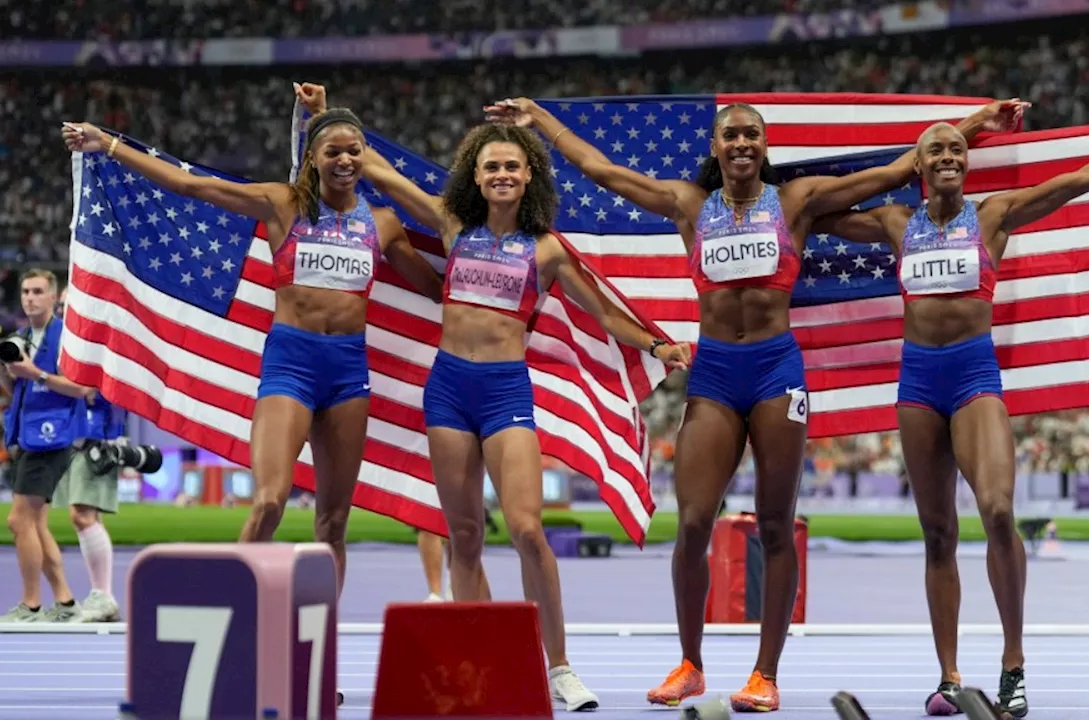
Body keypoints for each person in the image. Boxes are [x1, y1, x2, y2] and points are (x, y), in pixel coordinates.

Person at [485, 95, 1027, 711]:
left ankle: (765, 673)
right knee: (691, 523)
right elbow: (608, 173)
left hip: (777, 373)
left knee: (775, 525)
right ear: (716, 148)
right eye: (731, 136)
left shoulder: (794, 202)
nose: (741, 144)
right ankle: (690, 663)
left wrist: (972, 128)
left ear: (765, 148)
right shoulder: (690, 205)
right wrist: (544, 124)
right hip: (716, 373)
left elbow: (904, 169)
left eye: (751, 135)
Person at [295, 82, 692, 712]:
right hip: (448, 391)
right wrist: (318, 119)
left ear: (528, 174)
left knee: (529, 530)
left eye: (511, 165)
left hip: (507, 392)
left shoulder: (548, 250)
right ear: (475, 178)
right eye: (491, 166)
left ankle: (558, 667)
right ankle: (475, 662)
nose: (502, 174)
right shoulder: (454, 226)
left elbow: (604, 314)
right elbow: (371, 168)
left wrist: (656, 344)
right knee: (464, 534)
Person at [815, 119, 1089, 718]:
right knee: (938, 534)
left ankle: (1013, 663)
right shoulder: (896, 222)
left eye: (956, 147)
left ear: (967, 163)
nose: (948, 156)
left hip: (974, 376)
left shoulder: (993, 215)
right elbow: (813, 212)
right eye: (935, 150)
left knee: (999, 511)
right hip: (917, 383)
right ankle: (948, 676)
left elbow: (1085, 177)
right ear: (917, 166)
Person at [60, 108, 444, 589]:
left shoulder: (383, 223)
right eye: (333, 151)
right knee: (269, 500)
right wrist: (110, 146)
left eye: (354, 151)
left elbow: (435, 289)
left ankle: (320, 640)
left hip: (348, 373)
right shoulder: (282, 203)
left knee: (333, 522)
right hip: (291, 365)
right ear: (312, 159)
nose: (345, 159)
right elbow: (191, 187)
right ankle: (231, 609)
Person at [1, 269, 96, 623]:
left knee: (17, 520)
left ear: (53, 297)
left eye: (38, 291)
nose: (29, 297)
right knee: (36, 525)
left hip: (52, 437)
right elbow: (20, 392)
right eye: (25, 291)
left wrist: (35, 374)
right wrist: (11, 374)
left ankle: (30, 605)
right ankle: (66, 603)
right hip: (27, 436)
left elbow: (83, 388)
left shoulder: (68, 336)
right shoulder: (23, 337)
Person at [52, 287, 124, 623]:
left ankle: (103, 595)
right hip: (69, 436)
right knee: (84, 516)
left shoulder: (98, 343)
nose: (65, 310)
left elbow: (90, 391)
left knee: (82, 515)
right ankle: (98, 594)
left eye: (70, 304)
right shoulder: (68, 343)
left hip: (96, 435)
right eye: (63, 305)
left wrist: (38, 375)